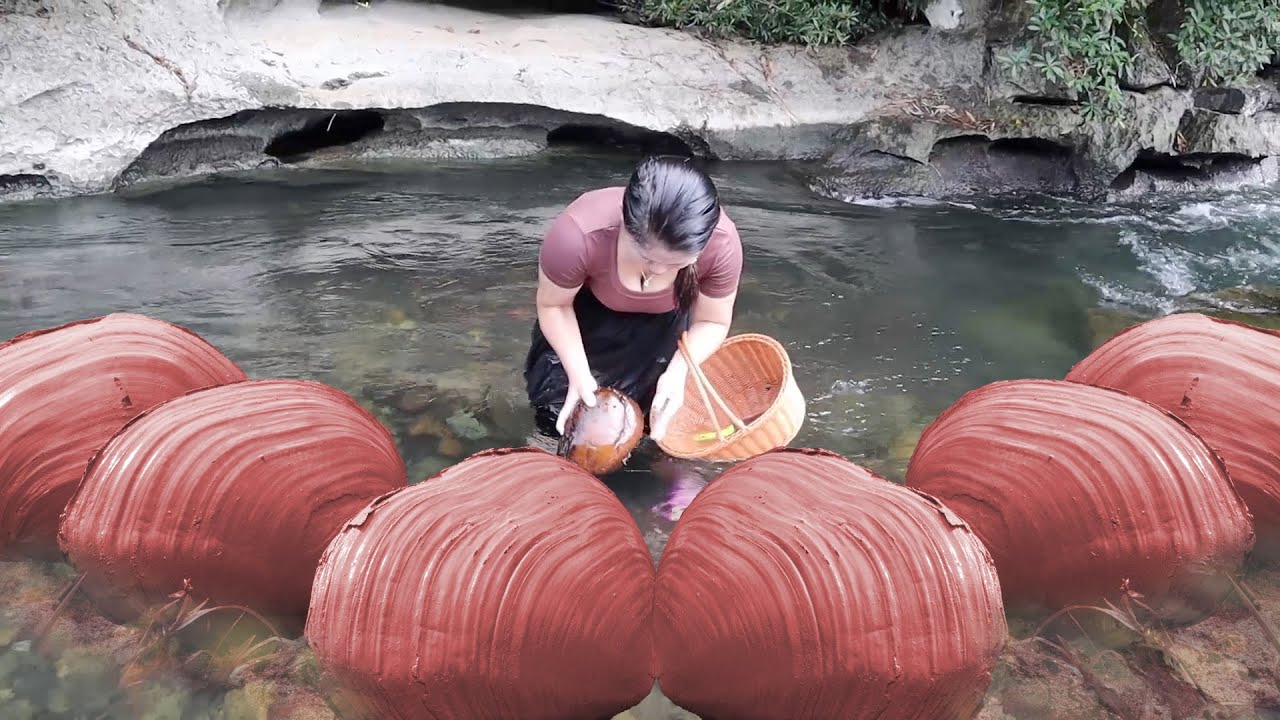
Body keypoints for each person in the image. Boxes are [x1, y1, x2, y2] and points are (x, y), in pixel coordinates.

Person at [523, 155, 744, 445]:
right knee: (561, 423)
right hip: (582, 318)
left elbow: (712, 321)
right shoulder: (578, 235)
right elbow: (555, 305)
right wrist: (578, 374)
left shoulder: (722, 245)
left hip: (664, 327)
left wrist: (678, 373)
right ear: (625, 225)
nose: (658, 271)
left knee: (653, 426)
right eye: (646, 257)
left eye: (677, 263)